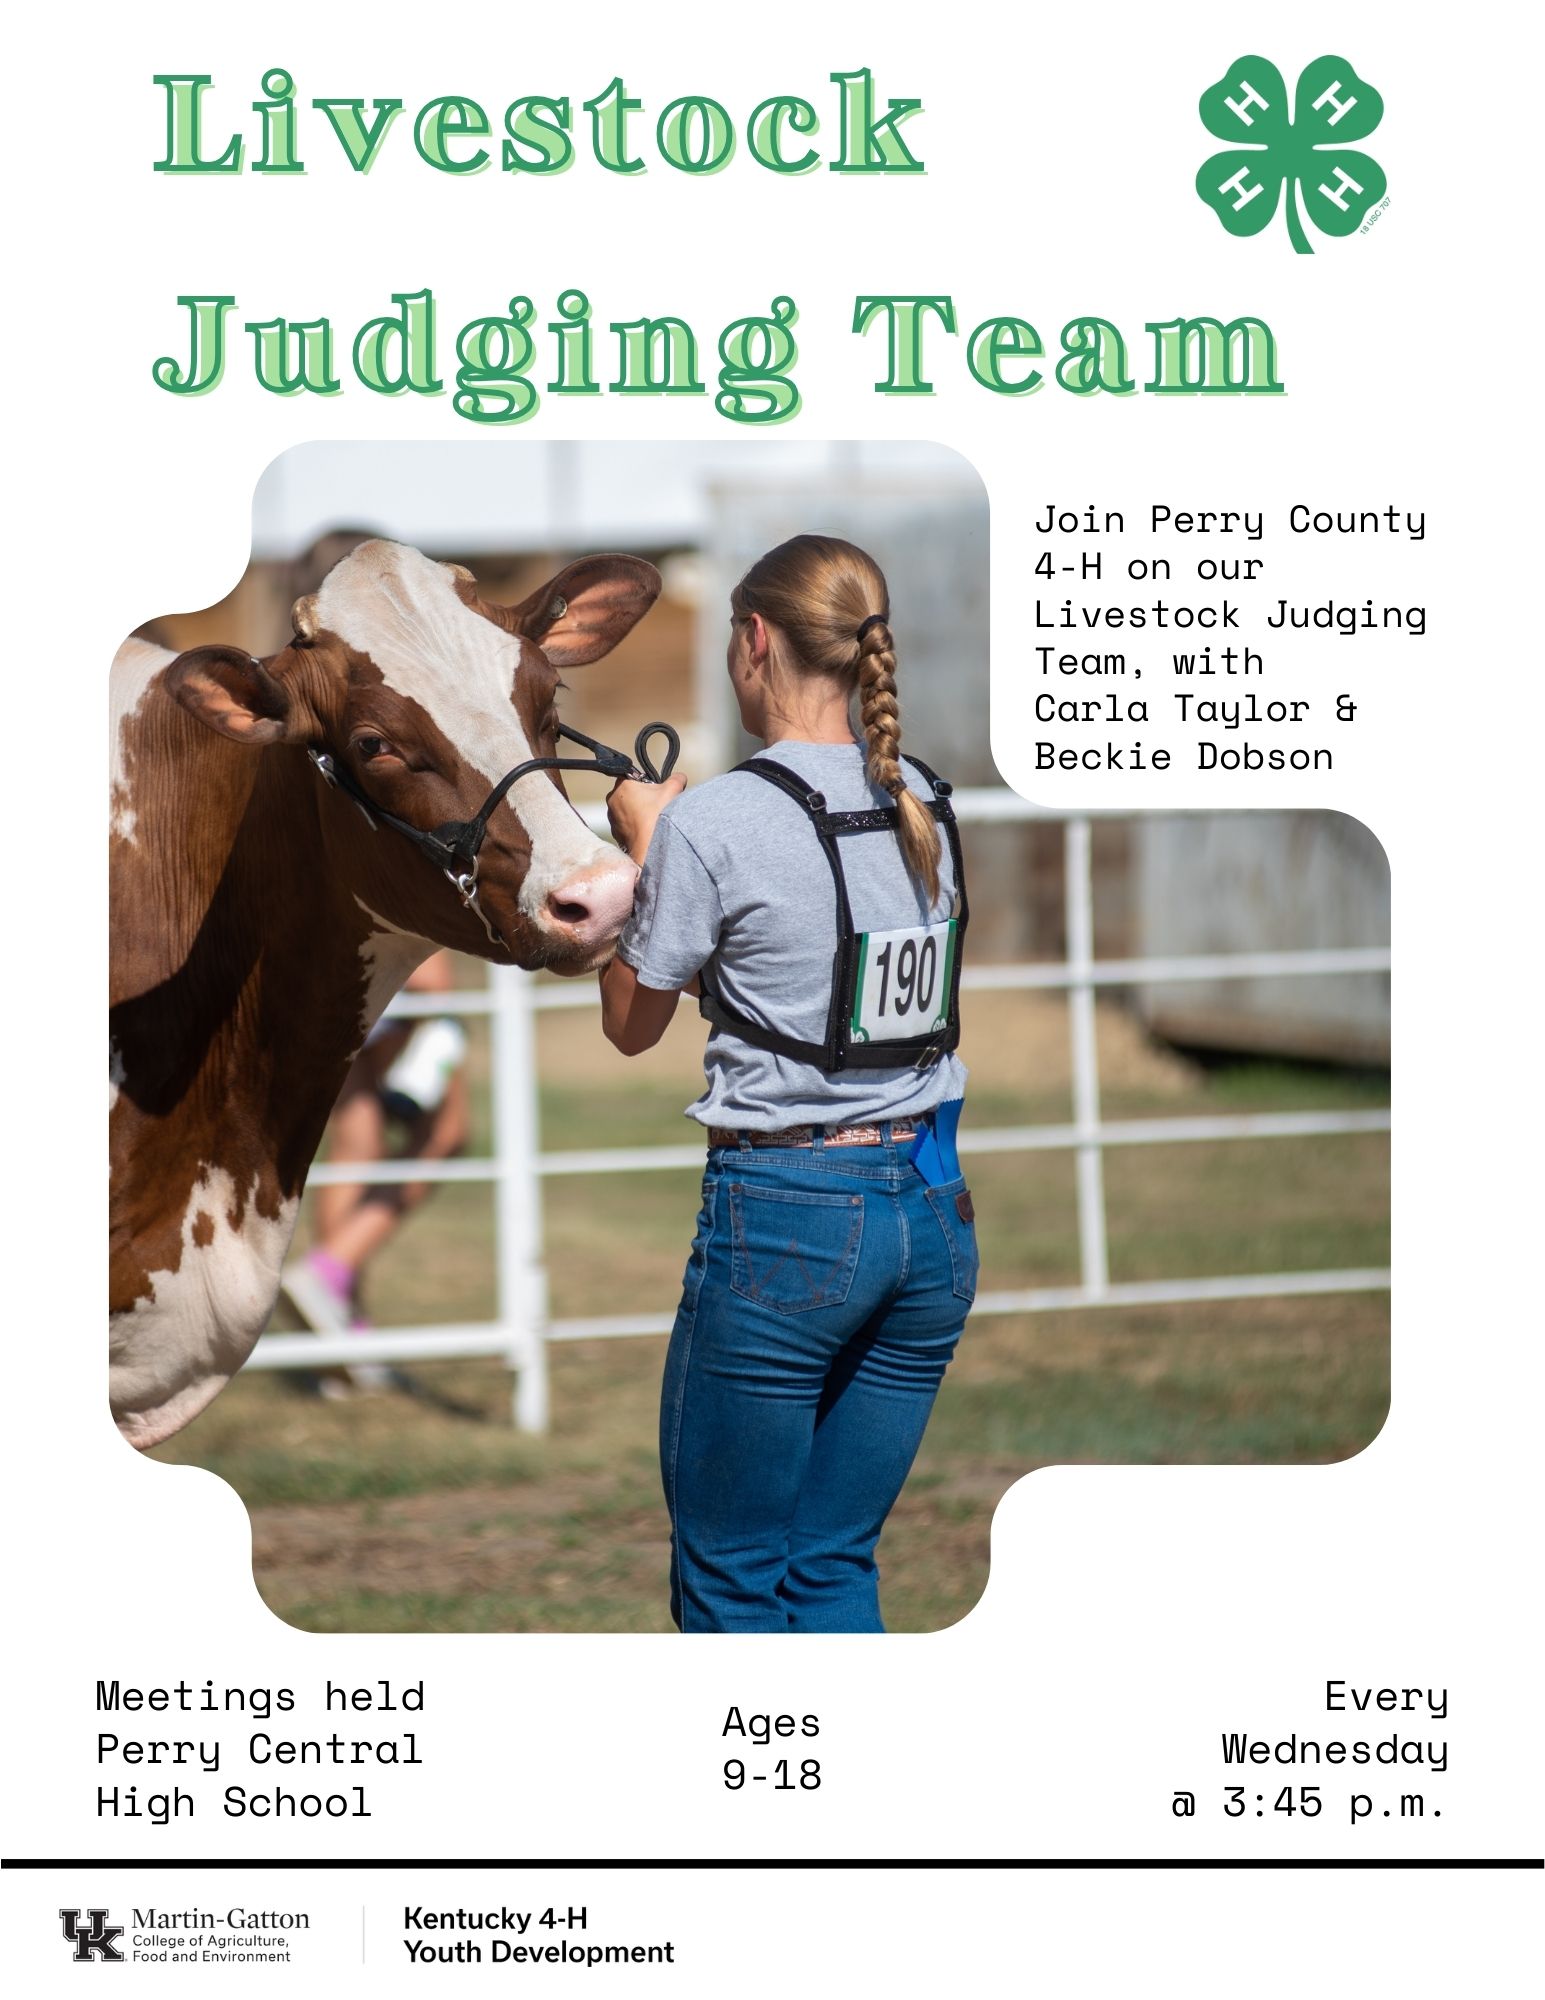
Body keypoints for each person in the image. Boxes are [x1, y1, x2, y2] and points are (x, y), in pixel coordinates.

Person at [598, 534, 977, 1633]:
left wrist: (647, 850)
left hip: (789, 1226)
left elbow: (630, 1024)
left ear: (753, 640)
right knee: (830, 1562)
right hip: (933, 1215)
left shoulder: (712, 822)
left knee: (730, 1579)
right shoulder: (933, 803)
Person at [282, 951, 470, 1385]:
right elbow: (434, 979)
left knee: (358, 1146)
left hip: (334, 966)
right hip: (399, 975)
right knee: (444, 1136)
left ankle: (340, 1331)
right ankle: (328, 1272)